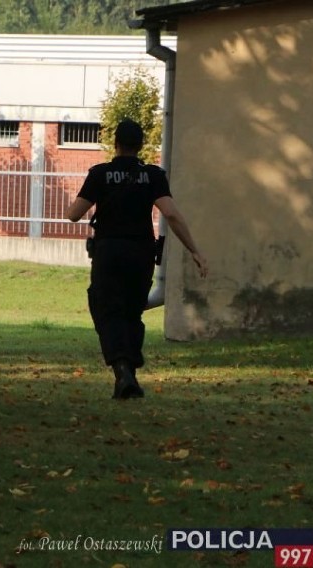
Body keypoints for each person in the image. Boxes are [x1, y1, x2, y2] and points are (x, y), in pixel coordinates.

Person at [66, 119, 207, 399]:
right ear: (141, 145)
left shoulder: (100, 173)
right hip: (141, 253)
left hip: (108, 253)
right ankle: (130, 371)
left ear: (116, 143)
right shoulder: (153, 175)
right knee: (132, 311)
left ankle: (122, 369)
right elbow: (172, 214)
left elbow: (73, 213)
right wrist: (194, 250)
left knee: (106, 309)